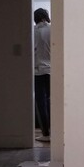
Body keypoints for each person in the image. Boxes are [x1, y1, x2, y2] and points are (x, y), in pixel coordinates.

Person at [33, 8, 51, 142]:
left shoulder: (33, 31)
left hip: (38, 71)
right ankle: (55, 132)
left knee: (41, 103)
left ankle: (46, 134)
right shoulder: (53, 30)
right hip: (52, 71)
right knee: (53, 101)